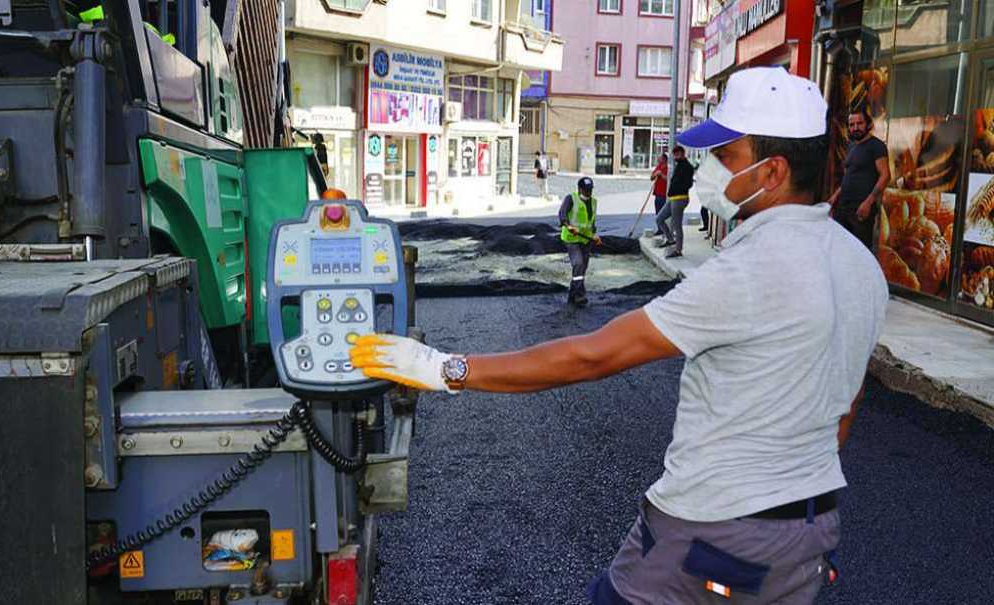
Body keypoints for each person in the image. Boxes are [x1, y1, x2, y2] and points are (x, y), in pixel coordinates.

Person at [349, 67, 888, 604]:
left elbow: (592, 355)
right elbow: (846, 404)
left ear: (772, 173)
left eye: (726, 156)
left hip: (711, 537)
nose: (708, 169)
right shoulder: (860, 266)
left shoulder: (749, 271)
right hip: (810, 537)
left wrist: (447, 369)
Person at [827, 108, 891, 249]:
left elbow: (885, 175)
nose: (855, 128)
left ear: (868, 124)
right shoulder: (851, 146)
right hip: (843, 207)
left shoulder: (877, 146)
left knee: (859, 253)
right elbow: (849, 176)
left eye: (859, 123)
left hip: (861, 210)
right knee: (839, 249)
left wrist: (868, 203)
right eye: (852, 124)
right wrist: (834, 197)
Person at [557, 177, 602, 307]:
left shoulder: (593, 202)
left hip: (586, 240)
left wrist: (594, 235)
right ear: (580, 189)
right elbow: (562, 213)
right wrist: (568, 225)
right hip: (571, 239)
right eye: (586, 190)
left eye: (590, 190)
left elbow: (591, 221)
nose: (589, 192)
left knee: (582, 268)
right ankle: (579, 294)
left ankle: (572, 295)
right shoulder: (571, 198)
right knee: (578, 264)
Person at [655, 146, 695, 258]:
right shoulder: (679, 165)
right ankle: (670, 240)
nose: (675, 157)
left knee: (677, 225)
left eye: (677, 154)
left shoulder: (687, 167)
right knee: (659, 219)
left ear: (682, 154)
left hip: (680, 198)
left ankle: (678, 250)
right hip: (673, 198)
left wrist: (677, 187)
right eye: (674, 154)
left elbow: (689, 184)